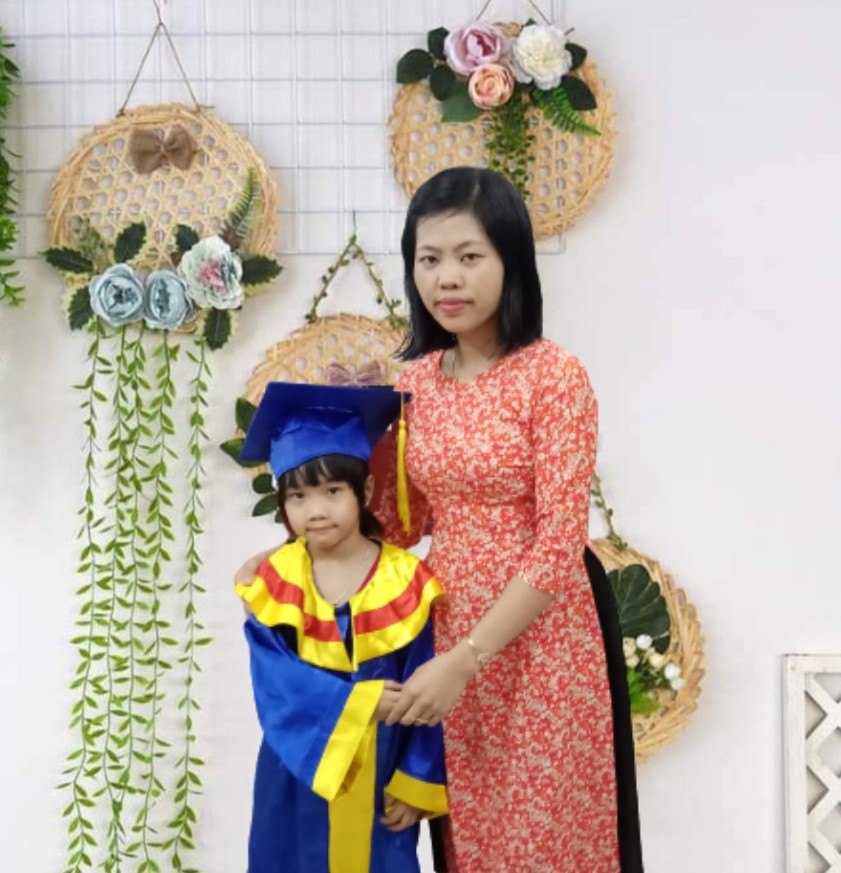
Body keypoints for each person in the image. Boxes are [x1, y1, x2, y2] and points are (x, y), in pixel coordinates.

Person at [237, 166, 644, 873]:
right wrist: (289, 565)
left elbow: (558, 544)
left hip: (543, 641)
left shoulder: (552, 375)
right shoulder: (417, 382)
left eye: (469, 256)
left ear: (510, 261)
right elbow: (395, 524)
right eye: (429, 259)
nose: (446, 278)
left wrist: (467, 659)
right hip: (441, 624)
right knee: (468, 840)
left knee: (544, 841)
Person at [234, 382, 448, 873]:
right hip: (296, 768)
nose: (315, 510)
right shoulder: (276, 580)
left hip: (381, 772)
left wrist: (416, 781)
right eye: (298, 495)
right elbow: (276, 682)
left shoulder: (405, 580)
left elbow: (427, 685)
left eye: (332, 492)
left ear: (365, 492)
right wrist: (362, 702)